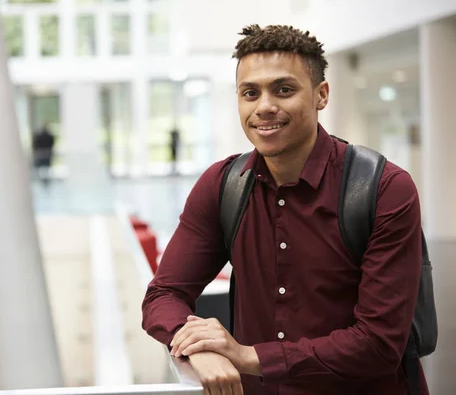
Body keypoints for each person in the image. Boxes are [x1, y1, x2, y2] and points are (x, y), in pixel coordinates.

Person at [141, 25, 426, 395]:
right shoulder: (222, 184)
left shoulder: (383, 187)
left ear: (321, 95)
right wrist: (196, 347)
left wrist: (246, 357)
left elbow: (378, 343)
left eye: (284, 89)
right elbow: (163, 295)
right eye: (250, 93)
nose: (264, 107)